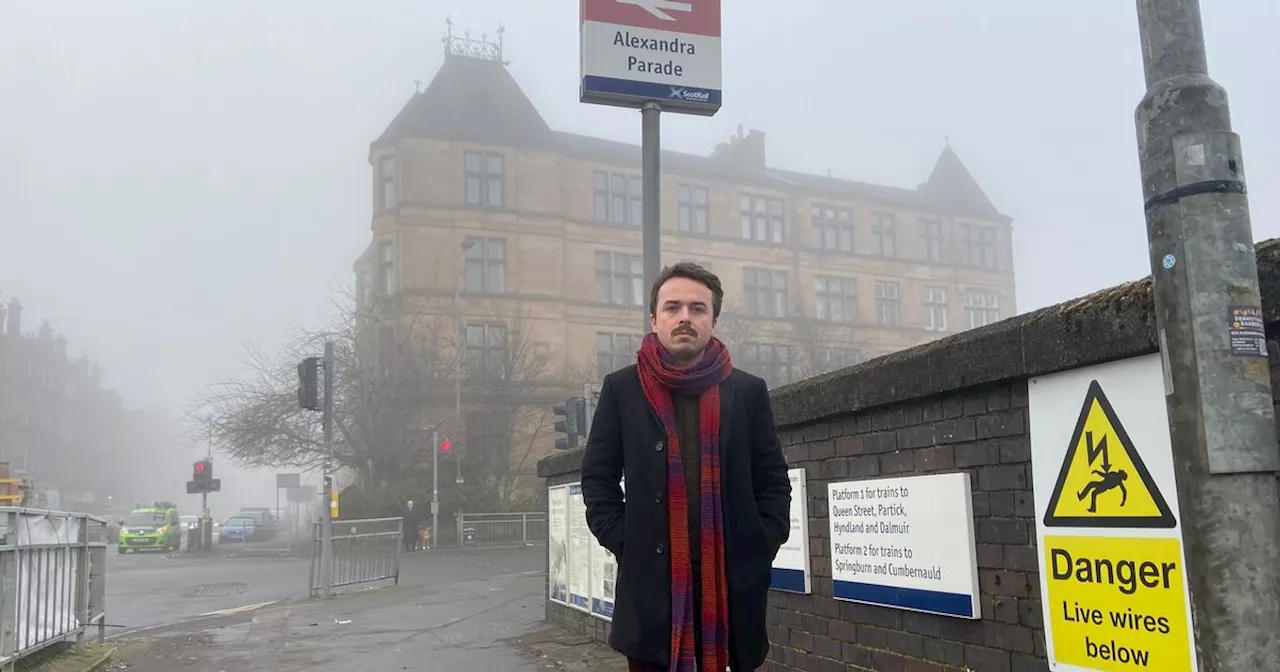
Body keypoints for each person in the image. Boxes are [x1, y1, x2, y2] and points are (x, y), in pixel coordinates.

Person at [580, 262, 792, 672]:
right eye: (673, 307)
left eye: (697, 309)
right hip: (651, 587)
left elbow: (772, 479)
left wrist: (762, 542)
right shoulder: (622, 389)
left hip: (731, 585)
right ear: (654, 318)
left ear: (712, 319)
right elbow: (598, 479)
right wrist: (627, 542)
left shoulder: (747, 391)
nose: (684, 318)